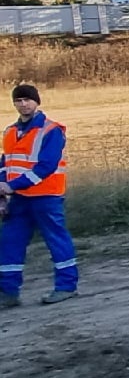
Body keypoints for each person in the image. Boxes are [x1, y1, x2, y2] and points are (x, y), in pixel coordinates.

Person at [0, 84, 78, 307]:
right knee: (9, 243)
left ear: (37, 102)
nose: (23, 104)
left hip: (46, 196)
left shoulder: (51, 130)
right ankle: (8, 293)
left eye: (27, 100)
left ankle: (66, 287)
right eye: (19, 100)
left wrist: (12, 186)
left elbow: (46, 166)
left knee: (56, 240)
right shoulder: (10, 132)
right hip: (20, 199)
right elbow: (6, 163)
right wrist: (2, 191)